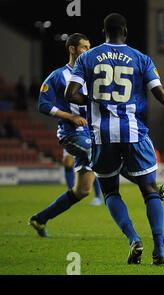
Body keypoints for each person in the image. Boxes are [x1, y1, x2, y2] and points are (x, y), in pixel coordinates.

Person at [65, 13, 164, 266]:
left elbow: (70, 93)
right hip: (134, 133)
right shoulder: (141, 58)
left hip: (101, 135)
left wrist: (94, 101)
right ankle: (160, 252)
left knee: (110, 191)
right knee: (150, 191)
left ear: (103, 32)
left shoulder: (87, 57)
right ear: (125, 31)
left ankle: (133, 239)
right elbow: (160, 95)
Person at [28, 33, 106, 239]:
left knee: (82, 190)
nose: (88, 51)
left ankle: (40, 219)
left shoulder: (93, 75)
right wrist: (70, 117)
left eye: (90, 47)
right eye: (84, 47)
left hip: (91, 134)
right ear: (72, 49)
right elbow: (43, 105)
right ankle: (150, 188)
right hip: (71, 135)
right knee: (103, 153)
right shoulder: (57, 76)